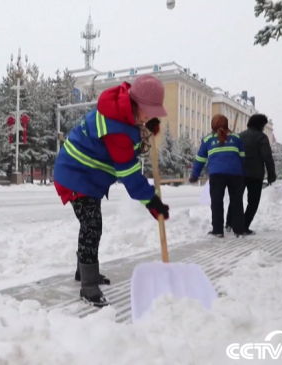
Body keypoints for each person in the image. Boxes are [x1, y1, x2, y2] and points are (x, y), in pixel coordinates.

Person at [53, 75, 170, 308]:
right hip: (75, 175)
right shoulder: (117, 129)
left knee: (90, 223)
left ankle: (83, 271)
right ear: (137, 105)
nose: (151, 115)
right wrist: (151, 201)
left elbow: (132, 127)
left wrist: (146, 123)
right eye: (150, 111)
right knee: (92, 225)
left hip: (87, 176)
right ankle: (88, 286)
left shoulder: (123, 107)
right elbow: (129, 174)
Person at [190, 114, 246, 238]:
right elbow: (243, 158)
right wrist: (242, 172)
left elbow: (200, 159)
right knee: (236, 202)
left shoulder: (208, 140)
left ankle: (218, 230)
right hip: (236, 174)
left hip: (216, 175)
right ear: (227, 125)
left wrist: (194, 175)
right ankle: (239, 230)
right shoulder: (237, 138)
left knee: (216, 202)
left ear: (213, 125)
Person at [225, 114, 276, 235]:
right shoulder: (262, 138)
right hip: (255, 174)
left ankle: (229, 223)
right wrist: (271, 174)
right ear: (260, 125)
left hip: (239, 173)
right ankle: (244, 225)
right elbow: (267, 157)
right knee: (253, 202)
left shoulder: (239, 136)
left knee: (236, 199)